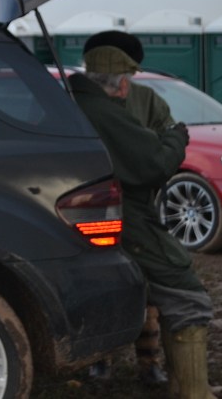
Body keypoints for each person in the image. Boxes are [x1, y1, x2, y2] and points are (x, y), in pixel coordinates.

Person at [68, 44, 217, 399]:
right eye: (128, 81)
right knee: (186, 293)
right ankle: (193, 393)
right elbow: (152, 164)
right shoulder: (103, 111)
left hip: (96, 215)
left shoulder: (75, 103)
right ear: (120, 85)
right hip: (127, 217)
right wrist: (176, 138)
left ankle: (162, 375)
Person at [82, 31, 173, 386]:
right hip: (89, 208)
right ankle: (98, 358)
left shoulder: (147, 100)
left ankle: (148, 361)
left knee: (145, 286)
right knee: (98, 281)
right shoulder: (75, 100)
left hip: (135, 209)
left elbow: (163, 147)